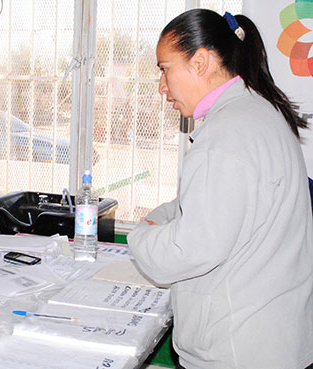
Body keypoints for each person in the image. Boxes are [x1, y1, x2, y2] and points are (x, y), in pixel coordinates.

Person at [126, 9, 313, 369]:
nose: (162, 86)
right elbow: (205, 205)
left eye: (165, 69)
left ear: (200, 62)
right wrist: (159, 217)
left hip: (239, 351)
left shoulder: (225, 137)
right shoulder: (257, 113)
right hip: (273, 341)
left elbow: (186, 250)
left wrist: (140, 236)